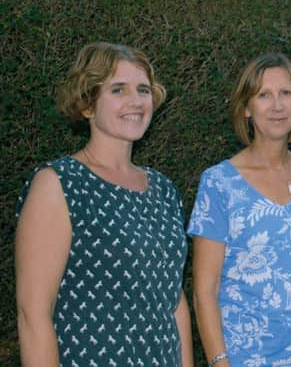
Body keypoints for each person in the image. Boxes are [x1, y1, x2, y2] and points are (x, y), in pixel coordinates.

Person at [15, 42, 193, 367]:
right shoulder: (59, 184)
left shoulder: (164, 190)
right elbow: (33, 313)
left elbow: (174, 300)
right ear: (87, 105)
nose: (136, 101)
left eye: (143, 89)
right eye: (118, 90)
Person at [188, 52, 291, 367]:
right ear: (247, 108)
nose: (277, 106)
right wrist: (219, 362)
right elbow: (205, 291)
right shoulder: (219, 183)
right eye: (264, 95)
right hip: (247, 360)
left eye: (286, 94)